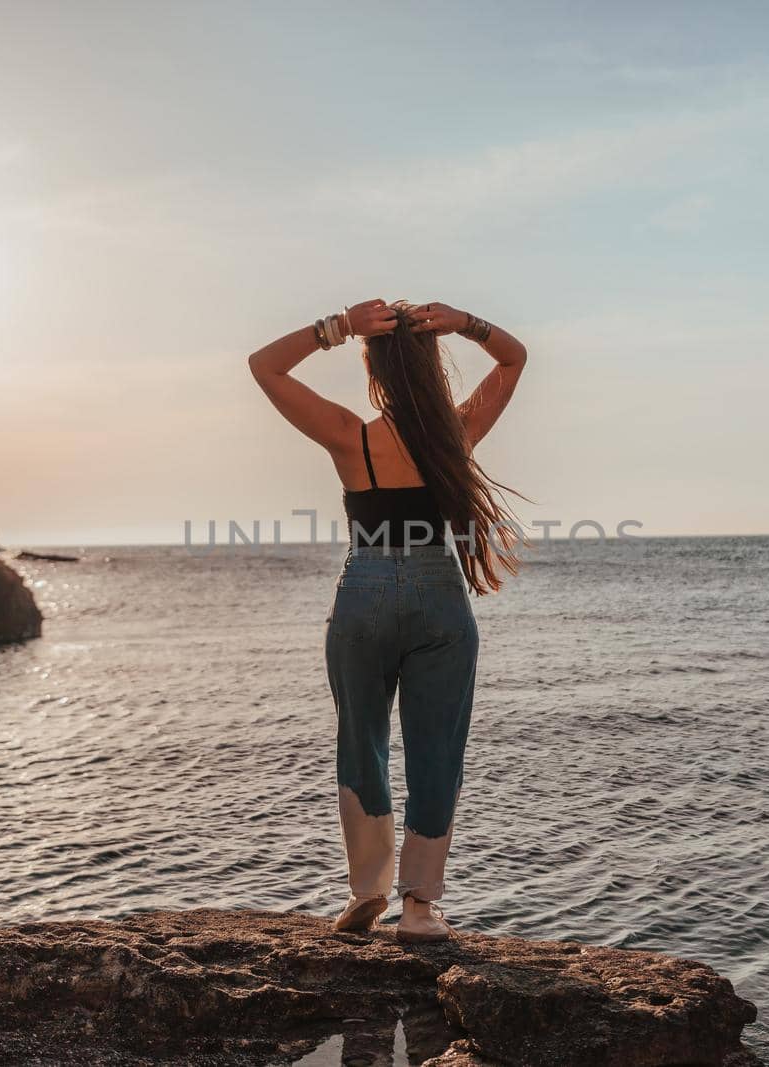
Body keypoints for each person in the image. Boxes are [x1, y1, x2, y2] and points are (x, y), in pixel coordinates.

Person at [247, 298, 527, 942]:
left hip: (364, 594)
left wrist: (337, 328)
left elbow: (265, 367)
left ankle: (367, 891)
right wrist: (465, 324)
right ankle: (420, 909)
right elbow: (514, 357)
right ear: (430, 368)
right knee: (437, 753)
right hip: (439, 598)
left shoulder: (350, 435)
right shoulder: (454, 434)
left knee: (361, 743)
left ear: (373, 371)